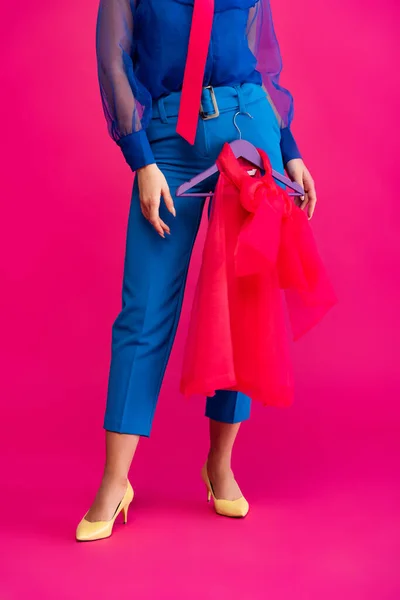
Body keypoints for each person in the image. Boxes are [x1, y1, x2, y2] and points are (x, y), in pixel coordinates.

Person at [76, 0, 317, 541]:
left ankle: (220, 465)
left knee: (243, 302)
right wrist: (141, 159)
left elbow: (262, 60)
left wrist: (290, 147)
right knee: (143, 309)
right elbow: (113, 62)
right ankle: (116, 482)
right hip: (167, 138)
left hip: (249, 125)